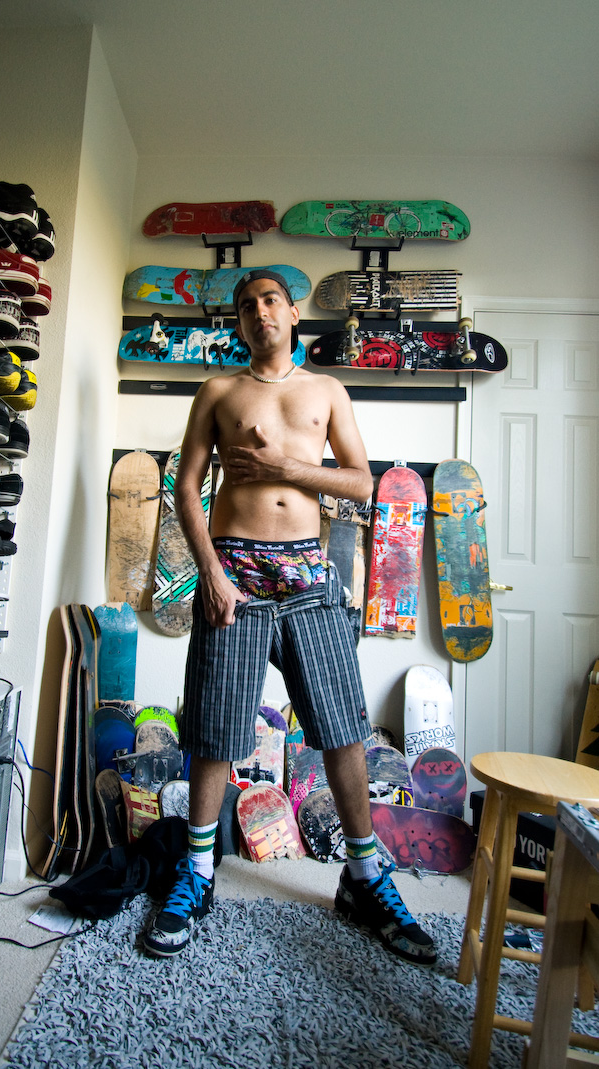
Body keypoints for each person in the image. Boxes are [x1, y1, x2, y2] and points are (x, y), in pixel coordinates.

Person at [144, 269, 436, 965]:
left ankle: (364, 875)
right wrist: (210, 573)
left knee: (341, 728)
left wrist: (286, 467)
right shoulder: (217, 391)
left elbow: (364, 484)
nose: (259, 311)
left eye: (270, 299)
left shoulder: (325, 390)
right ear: (239, 323)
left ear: (293, 312)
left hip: (307, 573)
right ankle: (198, 869)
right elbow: (185, 487)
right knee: (215, 729)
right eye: (246, 305)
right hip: (234, 572)